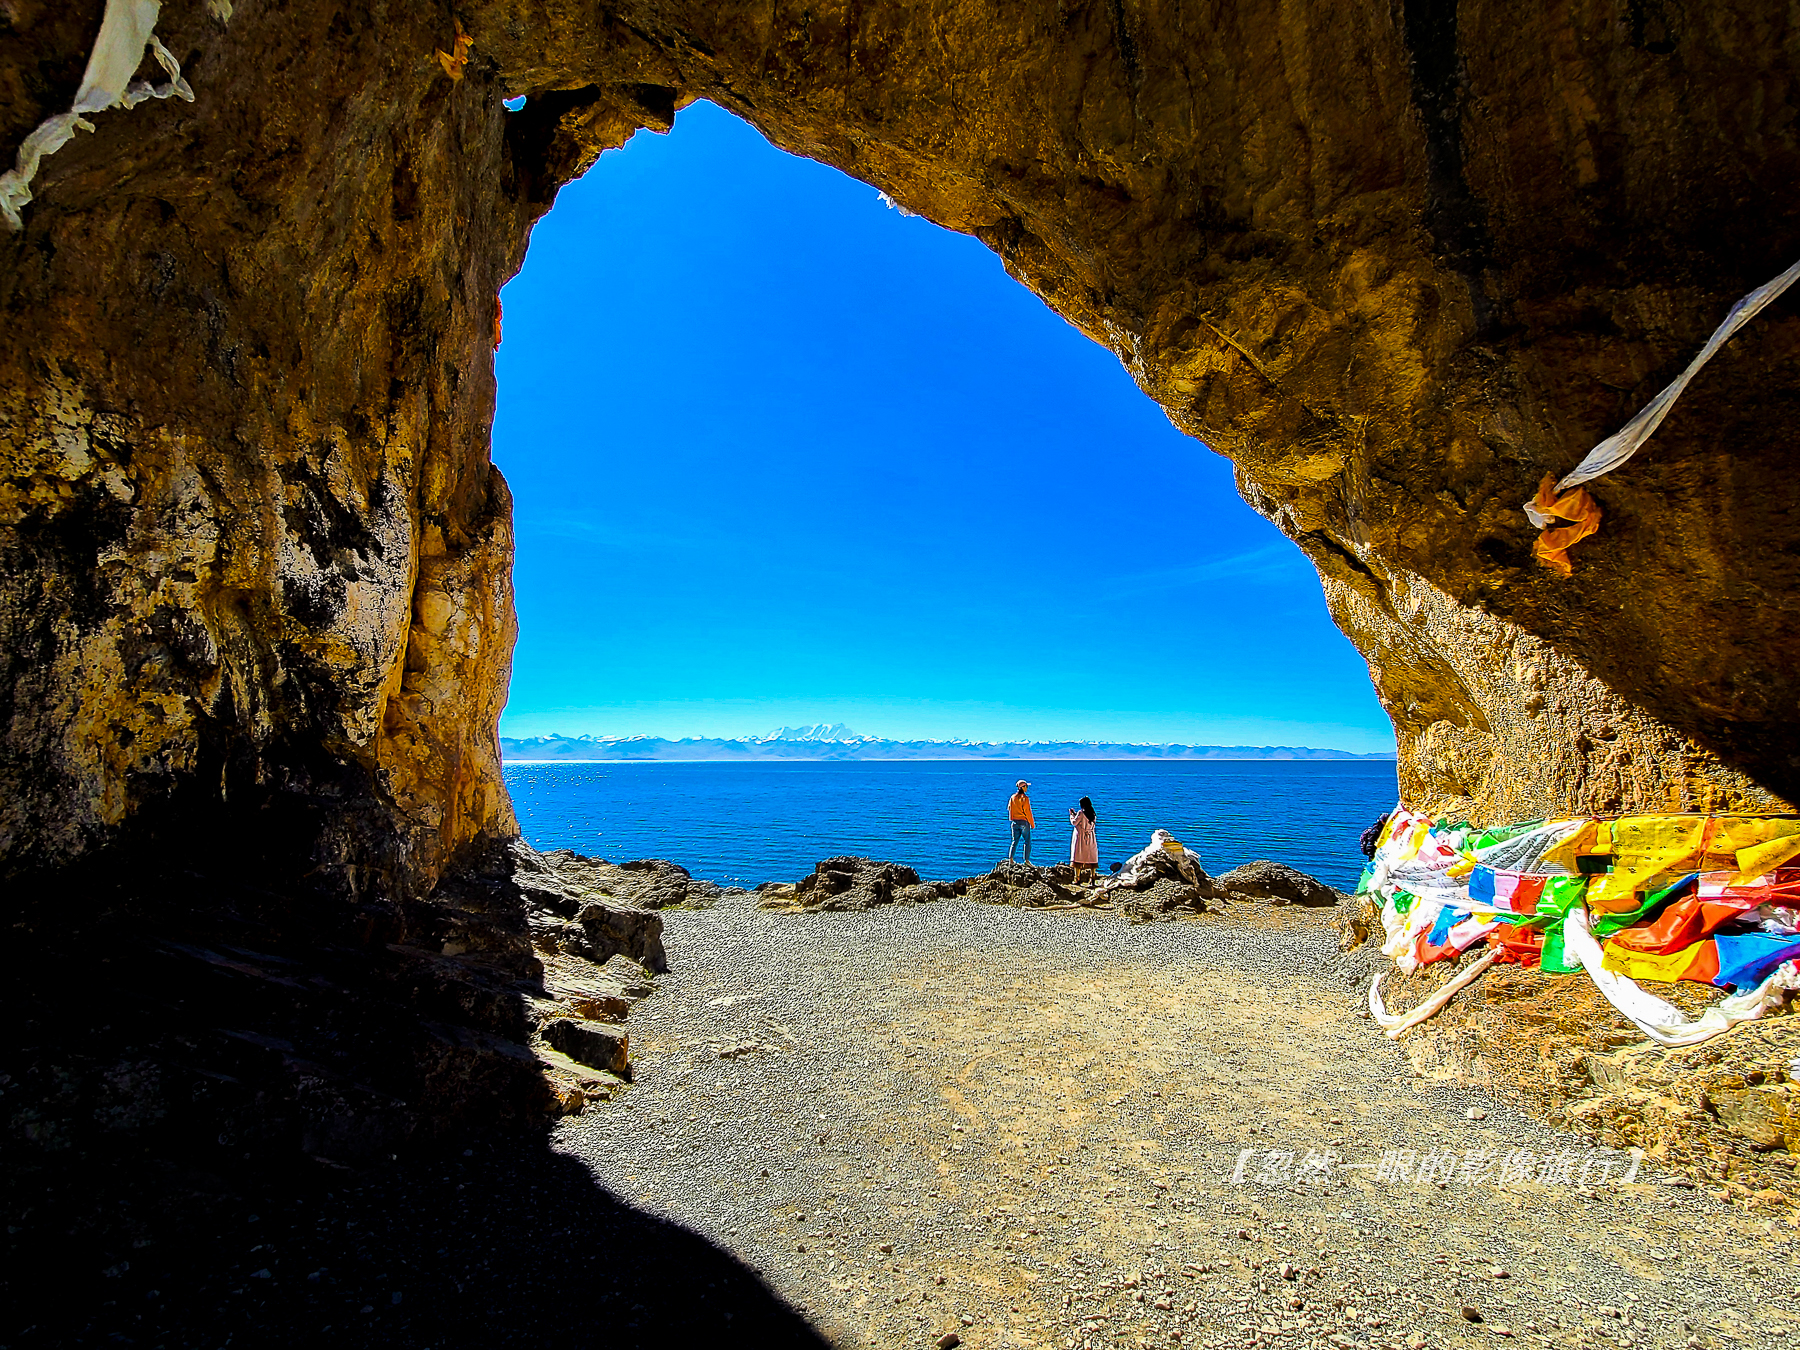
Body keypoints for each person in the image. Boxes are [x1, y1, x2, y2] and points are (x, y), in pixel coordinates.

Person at [1069, 796, 1098, 882]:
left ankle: (1077, 878)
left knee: (1078, 856)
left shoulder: (1081, 813)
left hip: (1080, 837)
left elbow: (1074, 822)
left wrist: (1072, 815)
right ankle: (1092, 877)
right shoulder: (1093, 814)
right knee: (1091, 856)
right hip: (1090, 836)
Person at [1007, 779, 1034, 863]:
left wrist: (1012, 819)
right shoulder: (1025, 798)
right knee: (1027, 842)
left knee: (1014, 841)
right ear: (1023, 787)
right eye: (1026, 786)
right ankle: (1026, 860)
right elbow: (1028, 812)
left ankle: (1011, 859)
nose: (1027, 788)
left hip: (1015, 822)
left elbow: (1009, 808)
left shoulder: (1013, 797)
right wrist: (1032, 824)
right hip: (1024, 822)